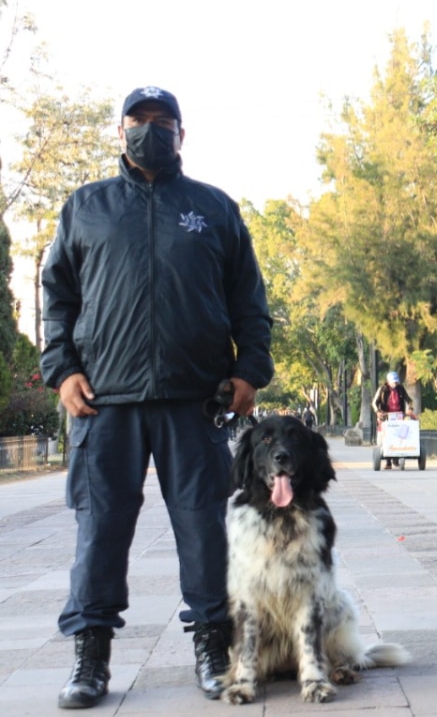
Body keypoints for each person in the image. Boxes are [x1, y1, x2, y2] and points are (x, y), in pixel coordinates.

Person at [40, 86, 273, 708]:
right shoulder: (86, 207)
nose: (151, 130)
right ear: (121, 132)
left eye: (162, 121)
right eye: (139, 120)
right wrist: (62, 371)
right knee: (99, 532)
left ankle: (213, 648)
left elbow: (249, 301)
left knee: (203, 530)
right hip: (103, 403)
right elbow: (57, 297)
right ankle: (90, 658)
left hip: (195, 400)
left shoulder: (214, 208)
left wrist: (250, 371)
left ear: (181, 133)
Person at [373, 371, 412, 469]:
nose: (395, 384)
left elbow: (409, 400)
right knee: (386, 438)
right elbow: (374, 403)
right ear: (388, 382)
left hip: (399, 416)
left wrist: (410, 409)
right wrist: (378, 411)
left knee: (398, 437)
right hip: (385, 416)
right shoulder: (382, 389)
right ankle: (388, 462)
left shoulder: (400, 389)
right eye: (393, 382)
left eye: (396, 382)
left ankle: (396, 459)